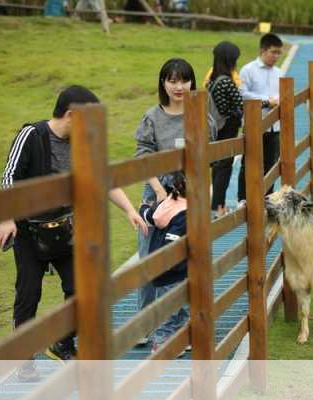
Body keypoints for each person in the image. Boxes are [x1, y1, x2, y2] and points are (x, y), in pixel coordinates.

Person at [0, 85, 148, 380]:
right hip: (29, 231)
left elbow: (103, 177)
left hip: (66, 229)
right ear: (70, 114)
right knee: (29, 294)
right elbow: (9, 176)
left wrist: (130, 210)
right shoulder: (32, 135)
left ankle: (63, 342)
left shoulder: (83, 142)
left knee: (82, 289)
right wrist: (7, 217)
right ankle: (24, 359)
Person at [133, 58, 196, 340]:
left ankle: (182, 323)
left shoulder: (199, 114)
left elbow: (209, 152)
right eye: (172, 80)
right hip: (157, 195)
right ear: (163, 83)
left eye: (183, 80)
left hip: (190, 197)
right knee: (149, 256)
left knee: (187, 261)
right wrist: (159, 191)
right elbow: (142, 156)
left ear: (192, 82)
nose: (178, 86)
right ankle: (146, 322)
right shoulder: (152, 117)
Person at [138, 172, 188, 355]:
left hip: (158, 267)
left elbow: (150, 216)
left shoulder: (165, 205)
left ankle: (183, 332)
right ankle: (163, 342)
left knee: (175, 305)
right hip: (173, 268)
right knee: (170, 307)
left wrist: (142, 208)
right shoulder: (185, 211)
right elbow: (173, 241)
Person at [236, 33, 283, 205]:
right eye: (273, 52)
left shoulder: (279, 72)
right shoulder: (248, 70)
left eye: (279, 53)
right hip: (254, 124)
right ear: (263, 50)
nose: (276, 56)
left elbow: (283, 94)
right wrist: (265, 100)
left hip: (275, 126)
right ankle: (243, 198)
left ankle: (266, 199)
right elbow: (242, 94)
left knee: (271, 163)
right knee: (248, 163)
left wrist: (279, 99)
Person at [206, 41, 243, 218]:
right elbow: (241, 104)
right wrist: (268, 102)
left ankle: (216, 206)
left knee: (219, 167)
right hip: (227, 128)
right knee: (224, 168)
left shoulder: (212, 78)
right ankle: (218, 208)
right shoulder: (226, 82)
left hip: (216, 128)